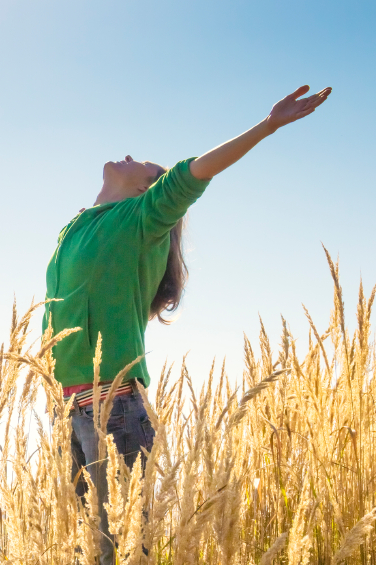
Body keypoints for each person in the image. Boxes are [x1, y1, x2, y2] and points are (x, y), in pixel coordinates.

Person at [42, 85, 332, 564]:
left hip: (113, 411)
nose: (131, 155)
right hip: (66, 412)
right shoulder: (73, 227)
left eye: (147, 165)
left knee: (124, 552)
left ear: (149, 188)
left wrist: (268, 124)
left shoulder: (141, 218)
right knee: (87, 553)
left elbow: (195, 173)